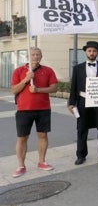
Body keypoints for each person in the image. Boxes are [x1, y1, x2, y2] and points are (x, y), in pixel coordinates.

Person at [11, 47, 58, 178]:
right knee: (22, 138)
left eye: (38, 54)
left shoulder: (48, 70)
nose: (35, 57)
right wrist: (26, 79)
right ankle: (21, 165)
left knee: (43, 136)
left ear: (41, 56)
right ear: (28, 56)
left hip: (43, 109)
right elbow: (14, 90)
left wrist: (38, 90)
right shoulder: (19, 71)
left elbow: (54, 88)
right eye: (33, 55)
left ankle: (42, 162)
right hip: (24, 110)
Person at [67, 41, 98, 165]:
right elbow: (73, 86)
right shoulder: (77, 68)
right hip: (83, 101)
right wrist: (71, 103)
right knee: (81, 129)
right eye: (90, 51)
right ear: (86, 52)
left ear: (97, 52)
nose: (92, 53)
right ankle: (81, 155)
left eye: (94, 51)